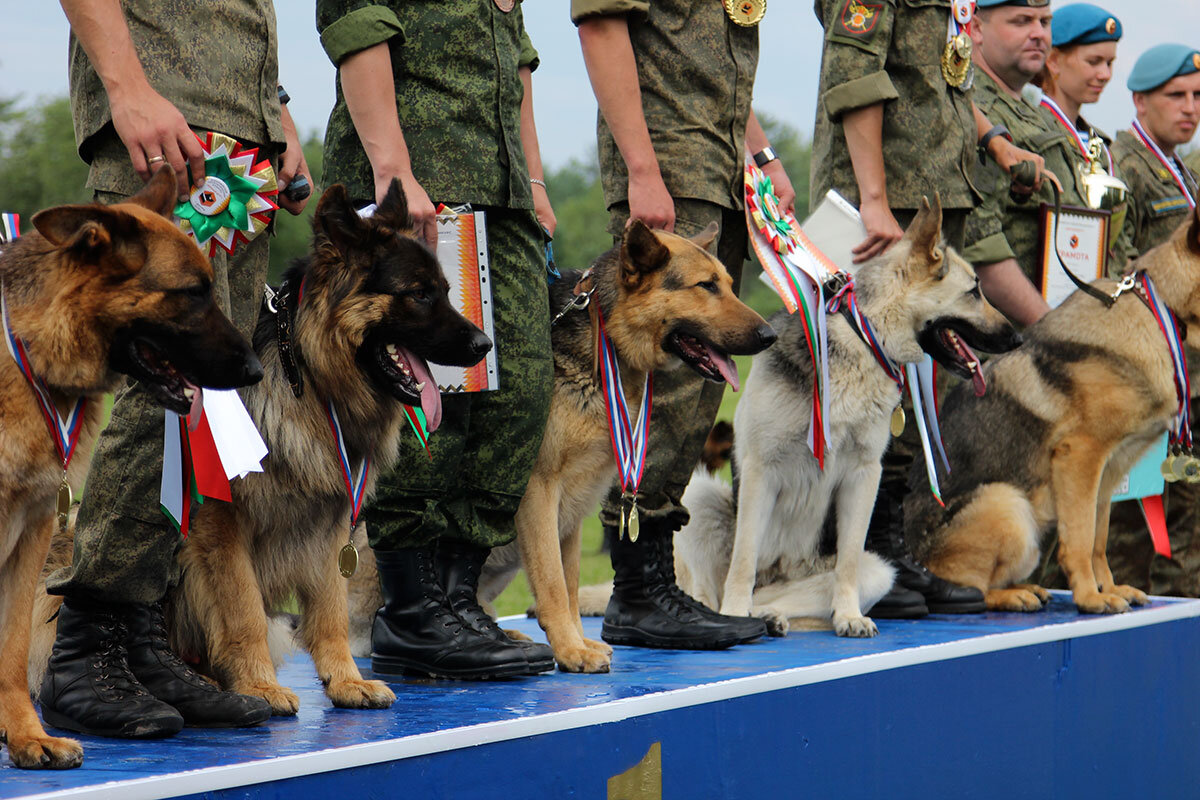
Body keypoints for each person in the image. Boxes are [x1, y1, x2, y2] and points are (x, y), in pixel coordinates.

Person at [41, 0, 311, 737]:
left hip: (241, 140)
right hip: (164, 124)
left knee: (206, 402)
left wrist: (274, 114)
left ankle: (140, 640)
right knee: (151, 393)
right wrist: (126, 87)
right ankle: (85, 649)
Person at [317, 0, 557, 679]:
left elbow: (516, 63)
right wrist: (392, 167)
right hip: (417, 185)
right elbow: (357, 23)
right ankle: (413, 609)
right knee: (433, 400)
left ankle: (459, 596)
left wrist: (533, 179)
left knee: (519, 394)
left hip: (503, 190)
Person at [811, 0, 1050, 619]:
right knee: (854, 395)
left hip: (930, 213)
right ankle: (840, 568)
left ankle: (886, 554)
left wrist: (993, 140)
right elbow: (854, 70)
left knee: (910, 397)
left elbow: (942, 78)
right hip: (882, 224)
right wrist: (872, 198)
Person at [571, 0, 788, 650]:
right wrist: (641, 169)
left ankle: (656, 585)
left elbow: (719, 65)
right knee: (660, 391)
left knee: (701, 388)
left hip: (722, 171)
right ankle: (639, 590)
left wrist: (763, 154)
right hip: (668, 168)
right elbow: (602, 25)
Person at [964, 0, 1130, 327]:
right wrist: (1055, 331)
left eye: (1044, 22)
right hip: (1011, 349)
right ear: (976, 29)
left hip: (1060, 332)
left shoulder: (1036, 116)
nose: (1038, 34)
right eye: (1022, 21)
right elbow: (980, 247)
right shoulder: (974, 113)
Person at [1104, 44, 1200, 597]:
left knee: (1183, 535)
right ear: (1140, 101)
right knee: (1130, 538)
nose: (1189, 108)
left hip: (1185, 381)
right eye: (1175, 96)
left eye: (1196, 97)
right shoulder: (1122, 168)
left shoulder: (1184, 172)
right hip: (1144, 382)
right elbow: (1114, 277)